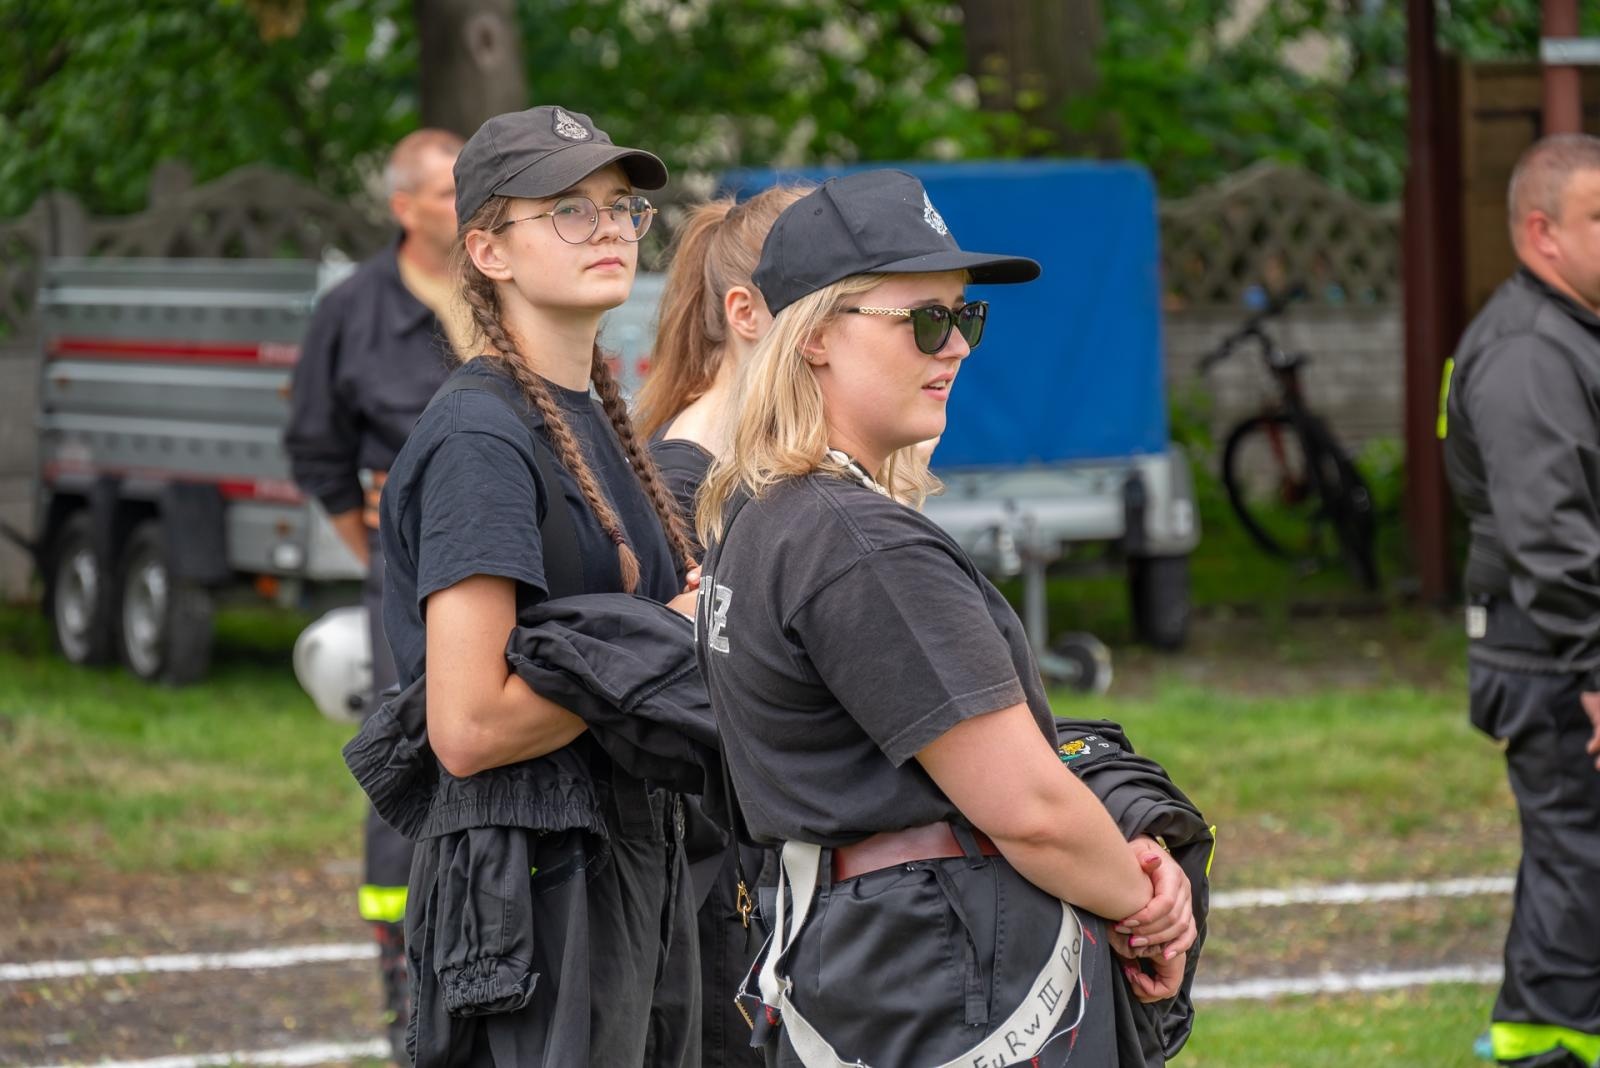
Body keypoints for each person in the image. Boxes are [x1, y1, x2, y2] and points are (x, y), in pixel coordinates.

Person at [693, 169, 1192, 1067]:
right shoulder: (856, 541)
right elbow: (1030, 809)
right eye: (925, 319)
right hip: (941, 967)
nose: (957, 345)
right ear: (814, 336)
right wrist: (1145, 904)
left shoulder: (767, 512)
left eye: (967, 316)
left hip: (872, 961)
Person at [375, 104, 701, 1066]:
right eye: (568, 209)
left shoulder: (593, 417)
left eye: (621, 207)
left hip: (627, 858)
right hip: (534, 885)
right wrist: (671, 639)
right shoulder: (480, 437)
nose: (610, 228)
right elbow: (469, 726)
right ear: (488, 251)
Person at [283, 126, 467, 1060]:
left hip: (518, 559)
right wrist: (382, 548)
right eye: (447, 190)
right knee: (411, 744)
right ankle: (403, 972)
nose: (466, 203)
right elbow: (314, 446)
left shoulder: (507, 288)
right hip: (410, 571)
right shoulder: (352, 310)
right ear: (403, 207)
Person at [637, 186, 808, 1068]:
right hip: (711, 902)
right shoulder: (679, 482)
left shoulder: (752, 467)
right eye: (823, 307)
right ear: (745, 315)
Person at [1442, 133, 1600, 1068]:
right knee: (1582, 857)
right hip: (1554, 658)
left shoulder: (1567, 334)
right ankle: (1546, 1046)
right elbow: (1550, 533)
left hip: (1561, 651)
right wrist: (1596, 667)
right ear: (1543, 233)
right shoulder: (1531, 351)